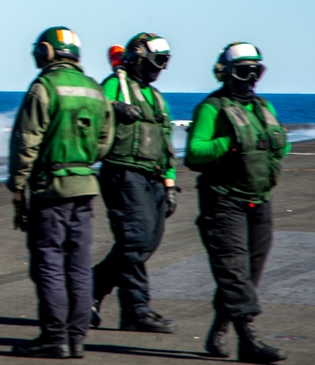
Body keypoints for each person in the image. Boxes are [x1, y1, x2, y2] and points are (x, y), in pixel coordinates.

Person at [7, 26, 114, 359]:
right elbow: (104, 142)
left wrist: (17, 186)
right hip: (84, 188)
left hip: (50, 191)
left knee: (49, 263)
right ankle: (76, 338)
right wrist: (80, 163)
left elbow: (27, 142)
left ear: (47, 52)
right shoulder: (95, 90)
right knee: (79, 266)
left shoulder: (44, 87)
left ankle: (54, 337)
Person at [185, 42, 289, 363]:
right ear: (228, 72)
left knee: (249, 274)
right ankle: (248, 339)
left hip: (260, 201)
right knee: (233, 271)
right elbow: (195, 152)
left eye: (256, 71)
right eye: (244, 71)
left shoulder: (263, 107)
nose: (251, 78)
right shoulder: (211, 108)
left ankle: (219, 329)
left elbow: (278, 148)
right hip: (223, 201)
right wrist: (229, 143)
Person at [91, 33, 179, 333]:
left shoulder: (155, 97)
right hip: (123, 173)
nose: (159, 68)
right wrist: (115, 107)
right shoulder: (117, 84)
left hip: (153, 177)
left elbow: (166, 141)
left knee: (145, 244)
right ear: (139, 56)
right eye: (157, 61)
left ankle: (92, 288)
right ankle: (136, 310)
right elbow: (98, 104)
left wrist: (169, 184)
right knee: (135, 241)